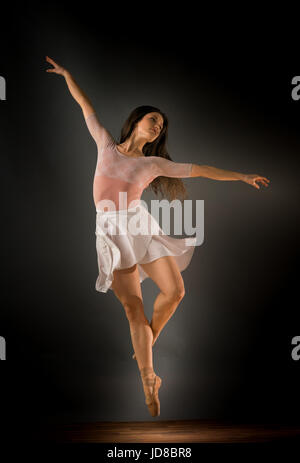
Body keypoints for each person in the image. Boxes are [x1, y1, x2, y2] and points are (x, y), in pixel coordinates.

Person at [45, 56, 270, 417]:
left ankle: (148, 341)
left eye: (161, 126)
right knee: (133, 307)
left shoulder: (153, 165)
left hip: (139, 225)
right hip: (112, 229)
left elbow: (201, 170)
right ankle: (149, 377)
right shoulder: (105, 145)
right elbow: (85, 106)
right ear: (136, 121)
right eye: (153, 120)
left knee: (176, 291)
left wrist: (241, 176)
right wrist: (68, 75)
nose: (157, 127)